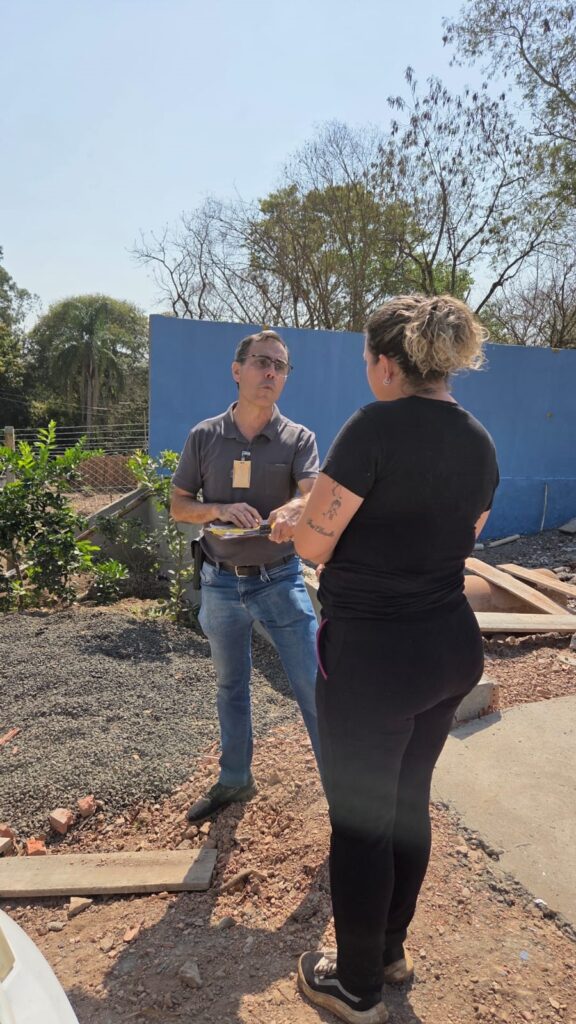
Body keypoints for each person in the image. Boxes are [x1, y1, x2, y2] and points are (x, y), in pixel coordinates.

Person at [292, 295, 499, 1024]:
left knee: (360, 823)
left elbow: (317, 544)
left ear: (385, 363)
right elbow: (461, 536)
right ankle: (388, 951)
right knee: (408, 804)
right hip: (449, 649)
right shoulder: (479, 440)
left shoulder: (372, 426)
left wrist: (297, 519)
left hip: (374, 659)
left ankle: (354, 987)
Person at [171, 329, 322, 823]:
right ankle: (235, 780)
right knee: (230, 687)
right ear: (237, 371)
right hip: (219, 581)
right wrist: (218, 507)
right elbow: (178, 506)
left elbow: (312, 493)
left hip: (280, 579)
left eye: (280, 366)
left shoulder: (299, 439)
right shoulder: (205, 436)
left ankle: (345, 801)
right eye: (261, 363)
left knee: (314, 688)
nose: (271, 373)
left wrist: (294, 510)